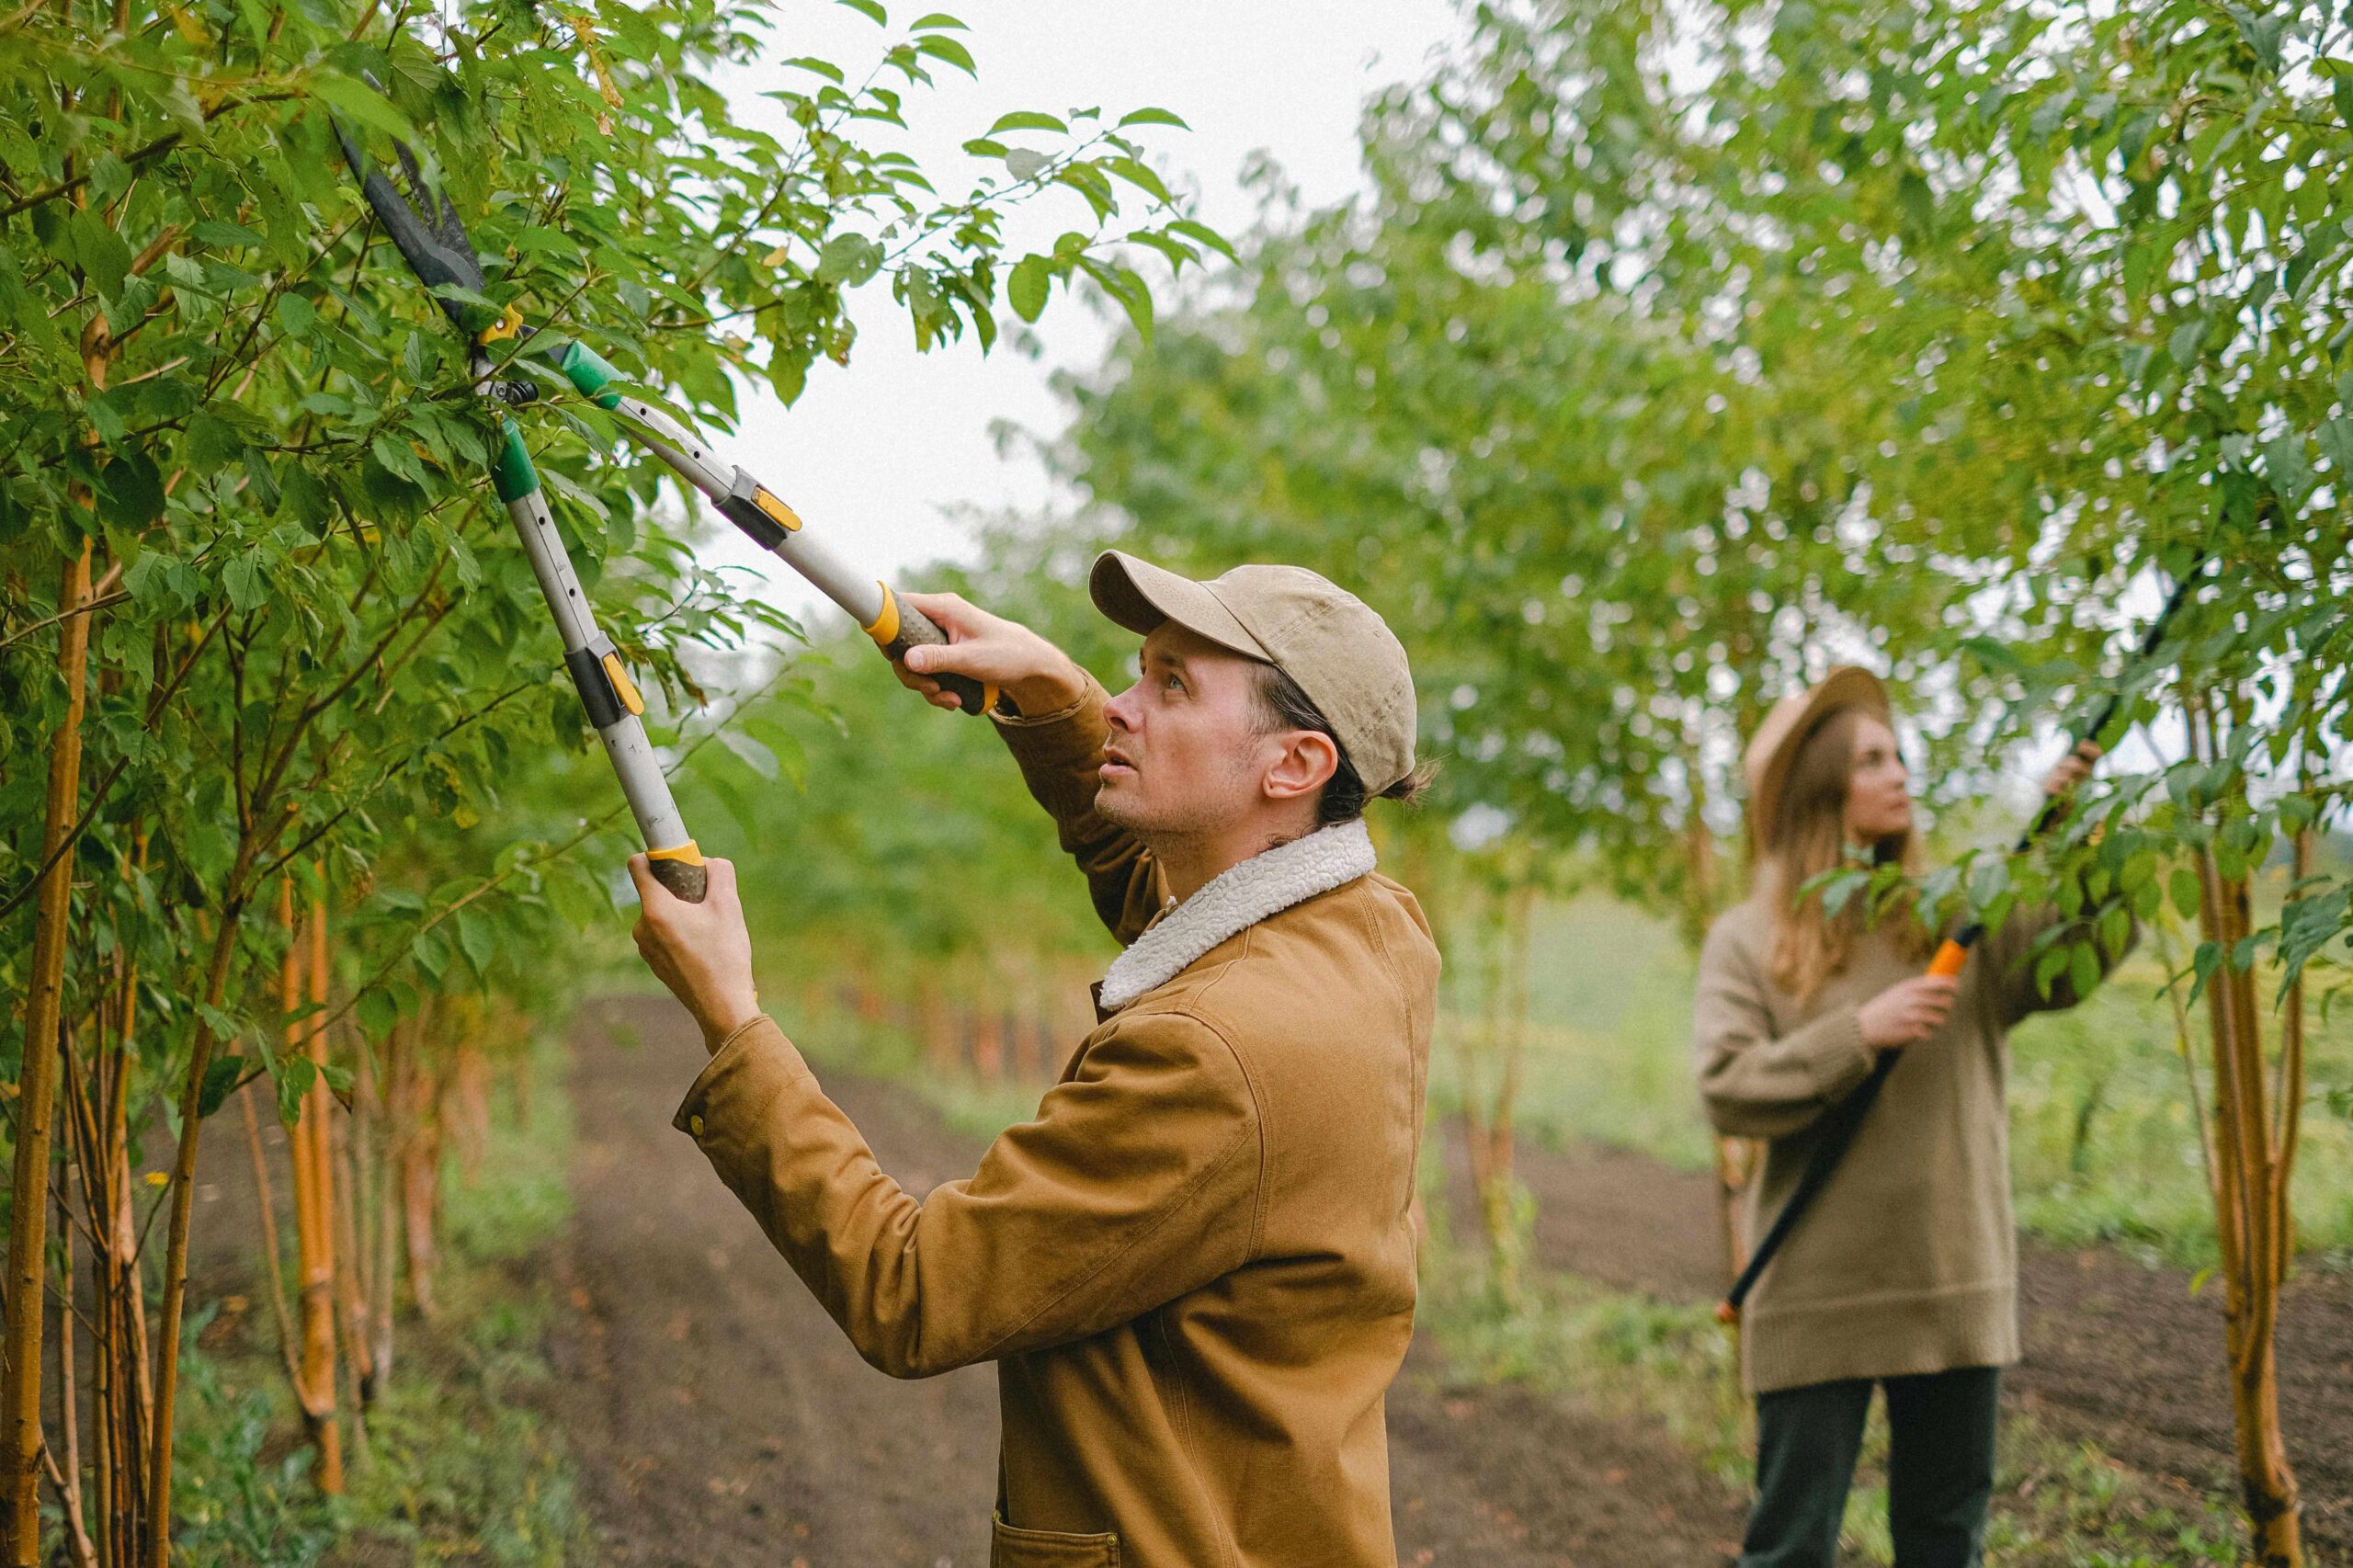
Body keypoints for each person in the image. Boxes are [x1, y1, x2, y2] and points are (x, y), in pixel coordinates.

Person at [627, 551, 1439, 1568]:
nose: (1124, 705)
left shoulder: (1213, 1057)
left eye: (1171, 684)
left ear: (1294, 766)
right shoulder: (1366, 930)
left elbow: (913, 1288)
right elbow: (1182, 907)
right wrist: (1058, 700)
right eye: (1137, 669)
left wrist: (731, 1016)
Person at [1695, 666, 2125, 1568]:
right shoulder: (1748, 937)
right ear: (1821, 785)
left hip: (1951, 1276)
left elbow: (2070, 963)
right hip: (1814, 1288)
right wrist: (1857, 1031)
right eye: (1872, 760)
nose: (1900, 774)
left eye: (1899, 756)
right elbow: (1726, 1086)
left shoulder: (1953, 915)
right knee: (1791, 1548)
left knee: (1943, 1542)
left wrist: (2080, 840)